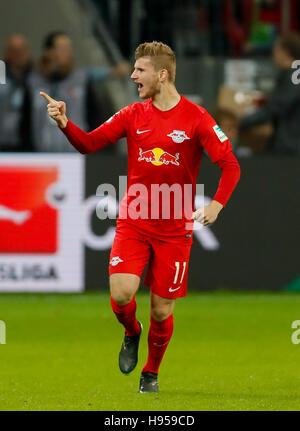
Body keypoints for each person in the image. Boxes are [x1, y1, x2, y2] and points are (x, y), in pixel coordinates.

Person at [40, 41, 241, 393]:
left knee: (162, 312)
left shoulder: (197, 118)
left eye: (140, 70)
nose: (133, 75)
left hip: (175, 230)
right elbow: (88, 144)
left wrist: (216, 205)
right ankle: (132, 331)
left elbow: (230, 165)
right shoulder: (132, 114)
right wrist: (64, 122)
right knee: (121, 294)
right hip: (134, 220)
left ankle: (151, 372)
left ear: (161, 75)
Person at [29, 31, 129, 152]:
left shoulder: (81, 80)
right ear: (49, 52)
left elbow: (95, 116)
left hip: (76, 155)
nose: (68, 53)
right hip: (39, 157)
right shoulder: (32, 81)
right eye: (63, 48)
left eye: (68, 48)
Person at [240, 32, 300, 156]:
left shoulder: (294, 77)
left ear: (285, 52)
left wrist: (242, 122)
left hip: (290, 146)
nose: (274, 56)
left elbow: (276, 107)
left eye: (276, 51)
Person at [0, 34, 33, 151]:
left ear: (27, 52)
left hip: (31, 144)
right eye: (14, 50)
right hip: (3, 142)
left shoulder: (38, 78)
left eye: (21, 50)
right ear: (7, 53)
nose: (18, 54)